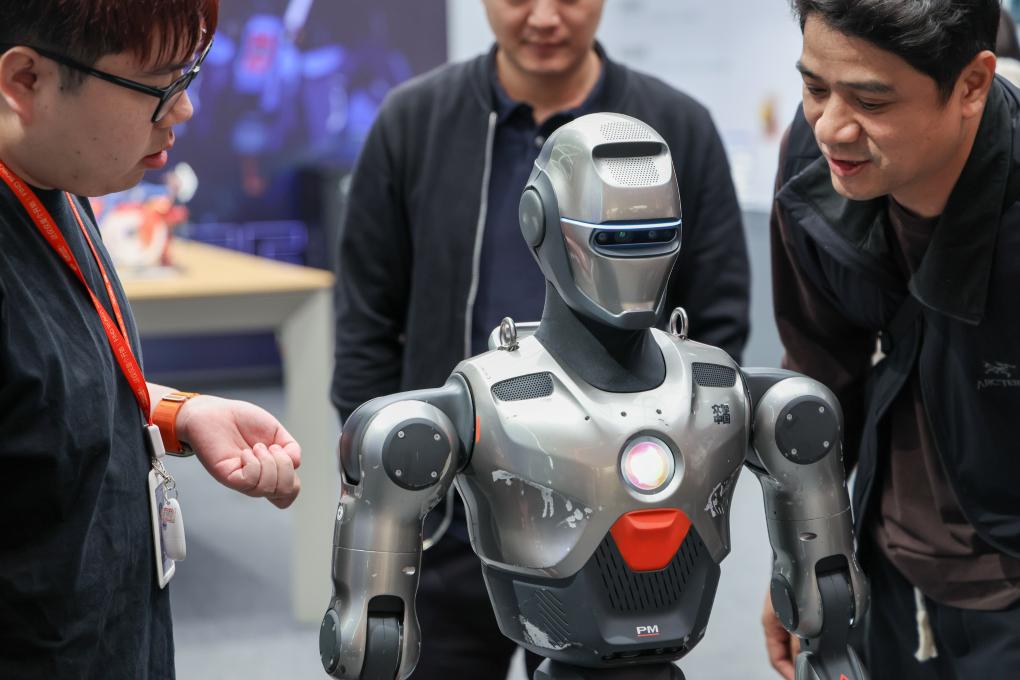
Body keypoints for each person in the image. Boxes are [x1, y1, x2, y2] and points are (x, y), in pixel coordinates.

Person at [332, 0, 750, 677]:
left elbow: (718, 318)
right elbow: (365, 317)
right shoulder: (415, 121)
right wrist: (407, 477)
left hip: (618, 520)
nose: (546, 17)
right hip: (447, 521)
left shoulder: (671, 130)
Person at [0, 2, 302, 678]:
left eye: (186, 77)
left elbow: (45, 383)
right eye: (158, 85)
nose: (183, 110)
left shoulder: (61, 181)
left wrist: (174, 413)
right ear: (26, 81)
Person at [763, 1, 1020, 677]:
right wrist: (803, 560)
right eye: (814, 87)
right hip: (885, 574)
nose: (831, 127)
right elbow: (820, 375)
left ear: (972, 84)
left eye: (871, 101)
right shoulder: (815, 162)